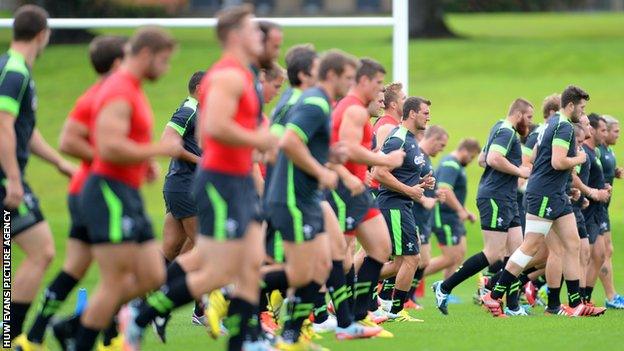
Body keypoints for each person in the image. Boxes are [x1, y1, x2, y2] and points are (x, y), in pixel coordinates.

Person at [121, 6, 277, 351]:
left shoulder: (243, 74)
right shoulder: (225, 77)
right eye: (255, 31)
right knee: (217, 266)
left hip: (233, 180)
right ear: (236, 36)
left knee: (247, 261)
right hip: (220, 181)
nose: (262, 39)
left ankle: (244, 339)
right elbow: (213, 131)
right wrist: (259, 141)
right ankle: (144, 312)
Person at [14, 35, 126, 351]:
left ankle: (33, 336)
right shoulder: (110, 96)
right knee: (122, 268)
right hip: (100, 191)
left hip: (87, 189)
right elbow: (69, 140)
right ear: (118, 63)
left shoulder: (103, 94)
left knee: (75, 266)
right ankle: (98, 335)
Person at [71, 26, 179, 351]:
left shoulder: (132, 87)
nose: (166, 68)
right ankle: (79, 339)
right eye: (164, 60)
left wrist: (143, 162)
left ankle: (71, 326)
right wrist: (156, 151)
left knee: (153, 276)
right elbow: (108, 147)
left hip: (125, 192)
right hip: (108, 191)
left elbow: (123, 143)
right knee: (115, 281)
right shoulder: (119, 89)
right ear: (145, 54)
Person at [483, 85, 605, 317]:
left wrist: (567, 187)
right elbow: (558, 162)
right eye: (582, 107)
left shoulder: (556, 125)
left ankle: (576, 303)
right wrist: (578, 157)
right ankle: (493, 294)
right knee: (531, 246)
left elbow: (543, 158)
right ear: (571, 105)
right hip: (544, 195)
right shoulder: (563, 127)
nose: (583, 111)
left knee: (573, 244)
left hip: (555, 194)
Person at [0, 5, 76, 344]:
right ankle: (12, 335)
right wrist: (14, 179)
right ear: (42, 35)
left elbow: (23, 131)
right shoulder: (14, 72)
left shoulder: (16, 70)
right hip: (5, 177)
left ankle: (8, 334)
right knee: (42, 249)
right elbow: (2, 127)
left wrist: (59, 163)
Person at [324, 58, 405, 332]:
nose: (381, 91)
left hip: (357, 188)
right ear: (364, 81)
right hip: (344, 189)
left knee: (381, 248)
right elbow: (345, 147)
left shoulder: (356, 109)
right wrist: (383, 160)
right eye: (378, 83)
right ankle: (342, 318)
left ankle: (357, 314)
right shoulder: (354, 110)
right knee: (338, 255)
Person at [432, 98, 533, 316]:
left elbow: (481, 159)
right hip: (495, 197)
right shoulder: (506, 131)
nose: (530, 122)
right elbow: (493, 158)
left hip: (506, 197)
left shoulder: (498, 127)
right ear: (518, 114)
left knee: (517, 253)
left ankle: (513, 306)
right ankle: (444, 286)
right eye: (529, 117)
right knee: (493, 253)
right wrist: (519, 171)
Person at [372, 97, 434, 321]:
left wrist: (422, 182)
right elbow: (378, 172)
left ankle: (356, 287)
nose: (428, 116)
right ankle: (394, 311)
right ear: (412, 114)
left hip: (402, 205)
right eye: (425, 112)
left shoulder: (410, 139)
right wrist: (409, 190)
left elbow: (402, 174)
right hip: (394, 204)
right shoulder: (397, 138)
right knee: (412, 259)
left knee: (400, 261)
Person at [423, 139, 481, 281]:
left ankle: (445, 288)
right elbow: (445, 189)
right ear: (464, 150)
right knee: (450, 257)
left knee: (459, 252)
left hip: (451, 216)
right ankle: (409, 276)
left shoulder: (456, 165)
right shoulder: (451, 164)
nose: (471, 160)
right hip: (443, 215)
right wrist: (461, 210)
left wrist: (465, 211)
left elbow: (453, 194)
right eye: (471, 157)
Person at [581, 114, 611, 305]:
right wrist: (593, 193)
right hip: (587, 210)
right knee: (584, 256)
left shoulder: (595, 153)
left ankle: (586, 299)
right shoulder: (584, 153)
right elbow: (578, 180)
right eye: (603, 130)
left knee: (600, 255)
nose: (605, 134)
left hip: (598, 211)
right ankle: (578, 300)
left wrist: (604, 187)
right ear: (591, 130)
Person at [597, 115, 624, 308]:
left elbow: (602, 172)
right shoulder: (597, 150)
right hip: (595, 208)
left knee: (605, 250)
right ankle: (611, 296)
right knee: (599, 252)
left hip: (603, 207)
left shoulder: (608, 150)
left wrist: (614, 173)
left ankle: (612, 296)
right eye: (615, 131)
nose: (617, 135)